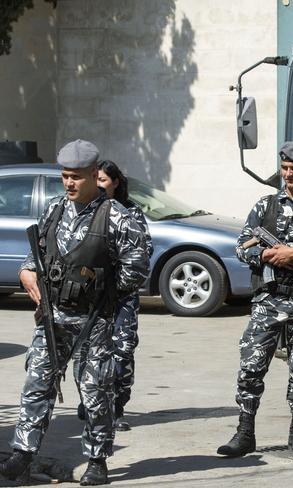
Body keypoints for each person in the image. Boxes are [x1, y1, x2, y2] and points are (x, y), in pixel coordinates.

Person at [0, 140, 150, 485]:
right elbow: (36, 254)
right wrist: (27, 273)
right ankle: (22, 453)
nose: (69, 183)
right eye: (65, 176)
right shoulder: (53, 209)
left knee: (96, 393)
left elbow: (136, 271)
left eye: (76, 177)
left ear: (94, 176)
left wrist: (100, 292)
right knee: (36, 385)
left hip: (94, 323)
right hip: (52, 320)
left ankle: (98, 459)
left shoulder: (117, 218)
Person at [217, 141, 293, 457]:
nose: (288, 175)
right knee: (251, 365)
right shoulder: (265, 206)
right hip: (268, 300)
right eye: (284, 169)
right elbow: (242, 247)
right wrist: (266, 254)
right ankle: (244, 433)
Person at [77, 159, 152, 432]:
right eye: (94, 180)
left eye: (103, 181)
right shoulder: (82, 212)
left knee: (121, 352)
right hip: (89, 297)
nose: (98, 185)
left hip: (121, 297)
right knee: (86, 351)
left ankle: (117, 408)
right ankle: (90, 402)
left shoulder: (130, 214)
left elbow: (142, 254)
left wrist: (114, 283)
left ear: (116, 182)